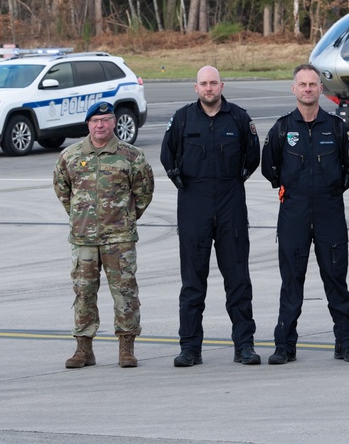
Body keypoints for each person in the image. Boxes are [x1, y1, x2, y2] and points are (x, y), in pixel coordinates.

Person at [261, 64, 349, 364]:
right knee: (291, 281)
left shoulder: (336, 127)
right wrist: (294, 191)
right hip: (293, 213)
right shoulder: (282, 129)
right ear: (293, 89)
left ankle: (346, 342)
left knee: (336, 279)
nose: (307, 89)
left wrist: (331, 190)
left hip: (329, 212)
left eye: (313, 84)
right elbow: (270, 168)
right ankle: (285, 345)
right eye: (302, 84)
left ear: (321, 89)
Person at [161, 66, 262, 367]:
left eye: (213, 83)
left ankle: (244, 345)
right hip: (194, 202)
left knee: (238, 280)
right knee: (193, 281)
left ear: (222, 85)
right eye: (203, 84)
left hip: (231, 201)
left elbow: (253, 156)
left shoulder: (239, 118)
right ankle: (190, 348)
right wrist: (183, 183)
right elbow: (168, 155)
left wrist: (235, 182)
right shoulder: (182, 119)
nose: (208, 88)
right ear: (196, 88)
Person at [53, 101, 154, 369]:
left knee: (125, 293)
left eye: (106, 120)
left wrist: (126, 218)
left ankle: (126, 348)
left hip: (119, 239)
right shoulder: (71, 155)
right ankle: (83, 349)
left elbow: (144, 192)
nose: (100, 125)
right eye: (95, 121)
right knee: (83, 293)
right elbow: (63, 190)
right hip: (83, 240)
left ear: (114, 123)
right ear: (88, 124)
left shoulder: (131, 156)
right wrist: (79, 217)